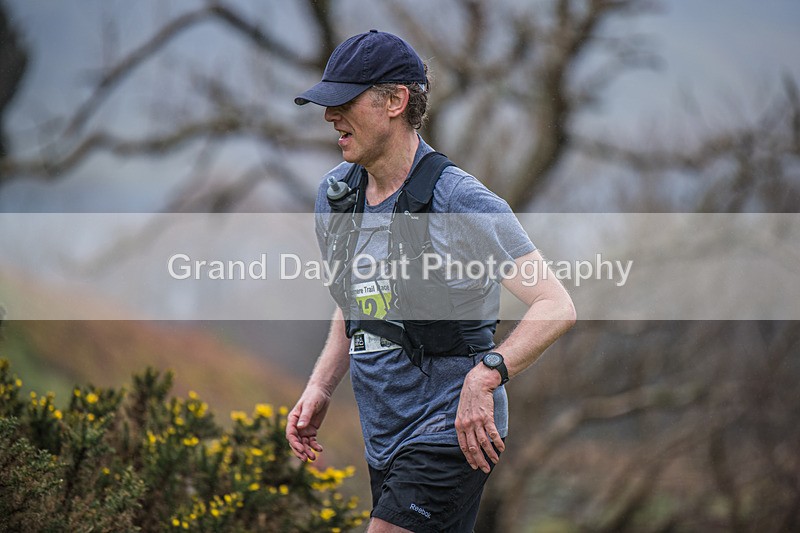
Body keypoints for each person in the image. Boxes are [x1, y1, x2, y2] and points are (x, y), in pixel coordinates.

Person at [286, 30, 576, 533]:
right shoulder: (336, 197)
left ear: (396, 101)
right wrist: (320, 385)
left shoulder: (460, 200)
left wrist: (485, 376)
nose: (330, 116)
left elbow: (555, 304)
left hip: (451, 431)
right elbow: (356, 303)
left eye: (344, 102)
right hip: (384, 440)